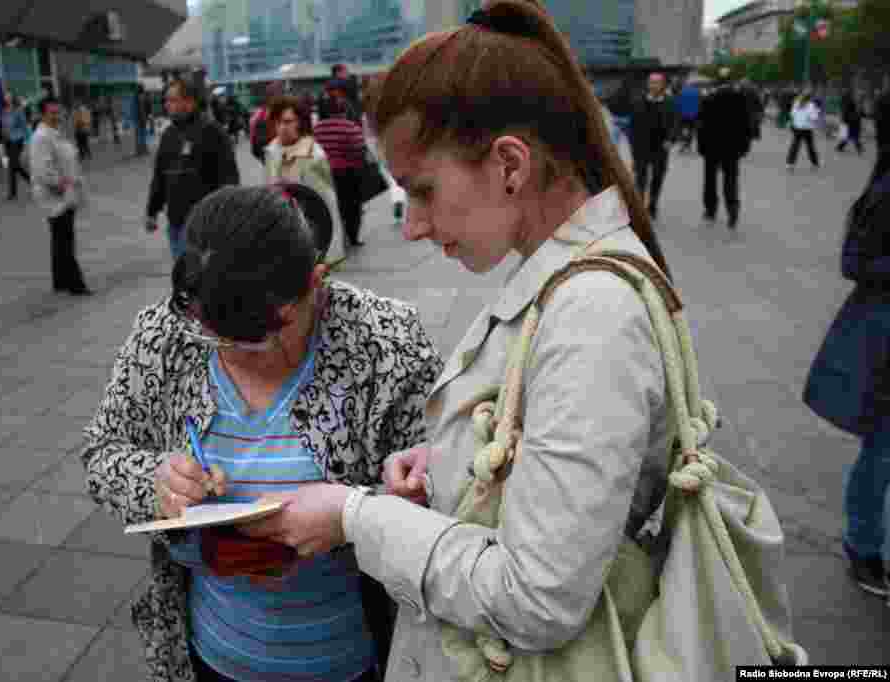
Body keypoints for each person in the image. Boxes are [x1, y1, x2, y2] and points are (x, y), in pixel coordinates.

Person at [231, 4, 678, 682]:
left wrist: (357, 518)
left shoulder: (593, 317)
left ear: (509, 164)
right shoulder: (566, 280)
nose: (410, 226)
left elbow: (537, 598)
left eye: (422, 190)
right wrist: (452, 459)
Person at [81, 182, 444, 682]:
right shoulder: (167, 334)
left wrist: (356, 515)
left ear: (316, 281)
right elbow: (101, 453)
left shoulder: (385, 342)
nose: (237, 355)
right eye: (218, 338)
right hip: (214, 651)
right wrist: (155, 481)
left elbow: (440, 489)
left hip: (348, 657)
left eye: (265, 337)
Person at [804, 148, 890, 599]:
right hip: (883, 339)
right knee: (884, 449)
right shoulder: (884, 192)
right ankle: (864, 546)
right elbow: (853, 261)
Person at [146, 77, 240, 261]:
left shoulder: (212, 131)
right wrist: (152, 210)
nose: (167, 105)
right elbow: (160, 176)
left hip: (204, 225)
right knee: (185, 278)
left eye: (172, 100)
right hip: (176, 223)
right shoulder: (169, 134)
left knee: (201, 280)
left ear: (189, 101)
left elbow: (229, 179)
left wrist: (223, 219)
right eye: (166, 100)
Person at [264, 95, 346, 266]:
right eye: (278, 122)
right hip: (282, 232)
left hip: (311, 236)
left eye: (288, 121)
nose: (282, 127)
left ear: (299, 122)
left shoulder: (314, 155)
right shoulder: (272, 151)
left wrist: (330, 250)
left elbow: (327, 203)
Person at [30, 96, 91, 296]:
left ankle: (61, 280)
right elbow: (43, 170)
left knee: (60, 239)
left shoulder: (56, 133)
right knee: (64, 240)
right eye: (52, 113)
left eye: (59, 112)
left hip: (63, 194)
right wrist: (61, 184)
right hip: (55, 196)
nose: (57, 116)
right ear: (42, 114)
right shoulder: (41, 137)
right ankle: (75, 284)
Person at [697, 67, 754, 229]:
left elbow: (701, 125)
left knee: (710, 180)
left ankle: (710, 209)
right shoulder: (740, 99)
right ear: (731, 82)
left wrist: (701, 146)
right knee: (731, 180)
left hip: (711, 147)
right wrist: (744, 146)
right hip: (732, 148)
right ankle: (732, 210)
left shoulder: (709, 99)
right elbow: (746, 125)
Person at [314, 81, 367, 247]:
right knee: (352, 205)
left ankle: (333, 236)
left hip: (324, 173)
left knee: (330, 205)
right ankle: (353, 237)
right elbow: (360, 148)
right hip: (348, 172)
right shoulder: (350, 127)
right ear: (342, 110)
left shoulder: (317, 129)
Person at [629, 72, 679, 220]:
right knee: (641, 178)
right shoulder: (638, 101)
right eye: (651, 82)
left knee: (657, 177)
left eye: (657, 82)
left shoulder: (670, 102)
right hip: (642, 146)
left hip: (661, 147)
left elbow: (675, 123)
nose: (654, 85)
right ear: (648, 84)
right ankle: (639, 207)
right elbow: (633, 126)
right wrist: (633, 147)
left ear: (663, 85)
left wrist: (671, 139)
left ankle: (653, 204)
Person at [4, 96, 31, 200]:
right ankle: (32, 183)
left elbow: (24, 126)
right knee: (15, 166)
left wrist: (28, 141)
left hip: (18, 140)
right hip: (8, 141)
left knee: (12, 166)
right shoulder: (6, 111)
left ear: (12, 99)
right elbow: (4, 125)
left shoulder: (18, 111)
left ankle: (12, 193)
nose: (6, 98)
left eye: (8, 96)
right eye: (6, 97)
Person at [787, 91, 822, 172]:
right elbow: (813, 117)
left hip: (797, 127)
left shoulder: (796, 103)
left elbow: (792, 114)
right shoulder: (811, 106)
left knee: (795, 145)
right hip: (807, 128)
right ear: (810, 98)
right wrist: (817, 111)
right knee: (810, 146)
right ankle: (815, 163)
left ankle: (790, 163)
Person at [675, 80, 700, 153]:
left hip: (683, 114)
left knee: (683, 129)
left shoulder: (681, 92)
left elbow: (677, 103)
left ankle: (684, 143)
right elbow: (700, 103)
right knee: (691, 129)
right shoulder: (697, 92)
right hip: (694, 114)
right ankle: (688, 144)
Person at [837, 89, 864, 155]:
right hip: (850, 120)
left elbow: (846, 111)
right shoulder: (850, 101)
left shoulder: (845, 101)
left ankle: (840, 147)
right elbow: (852, 111)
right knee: (852, 135)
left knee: (848, 135)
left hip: (847, 120)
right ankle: (858, 147)